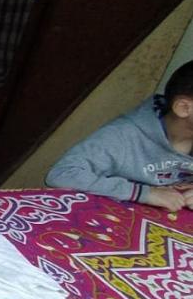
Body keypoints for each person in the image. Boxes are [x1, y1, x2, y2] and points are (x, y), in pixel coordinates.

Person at [47, 60, 193, 211]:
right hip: (108, 221)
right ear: (183, 108)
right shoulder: (124, 135)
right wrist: (142, 193)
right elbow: (63, 173)